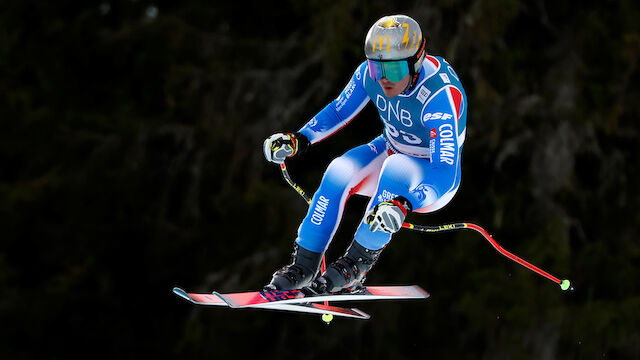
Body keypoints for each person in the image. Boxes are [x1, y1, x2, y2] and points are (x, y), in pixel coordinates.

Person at [263, 14, 467, 294]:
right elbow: (339, 110)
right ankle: (304, 265)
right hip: (392, 146)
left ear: (416, 62)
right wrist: (301, 138)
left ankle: (356, 265)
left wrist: (405, 203)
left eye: (394, 70)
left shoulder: (437, 96)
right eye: (375, 67)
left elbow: (446, 171)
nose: (383, 79)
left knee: (397, 167)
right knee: (339, 170)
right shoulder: (369, 76)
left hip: (430, 178)